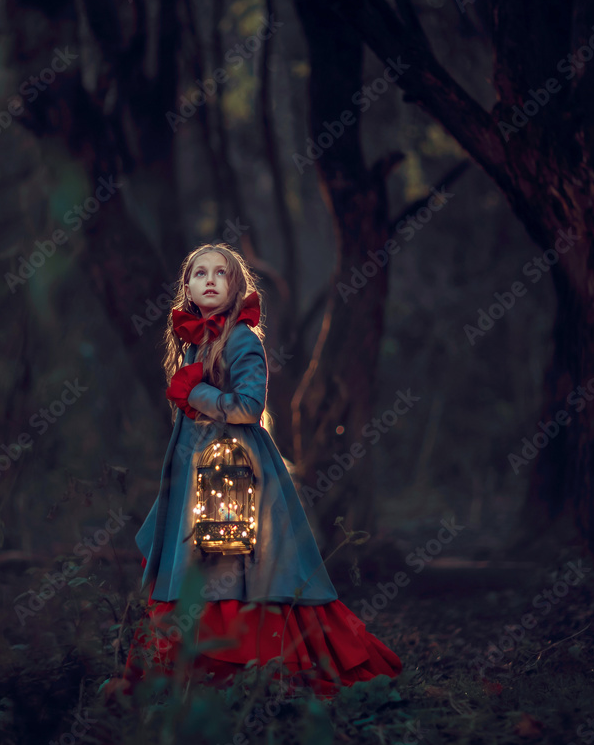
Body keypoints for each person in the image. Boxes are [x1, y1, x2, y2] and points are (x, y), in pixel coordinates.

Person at [120, 243, 402, 699]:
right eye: (199, 273)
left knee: (235, 562)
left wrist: (197, 396)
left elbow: (250, 407)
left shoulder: (242, 338)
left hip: (232, 468)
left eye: (221, 273)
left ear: (236, 287)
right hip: (196, 471)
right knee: (197, 559)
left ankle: (242, 666)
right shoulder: (196, 341)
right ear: (187, 287)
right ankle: (194, 669)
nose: (209, 280)